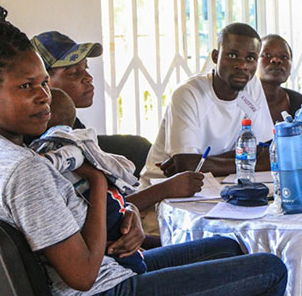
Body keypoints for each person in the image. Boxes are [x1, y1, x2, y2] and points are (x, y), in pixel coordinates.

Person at [0, 0, 287, 296]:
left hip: (99, 285)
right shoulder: (23, 170)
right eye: (26, 86)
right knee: (270, 271)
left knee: (228, 248)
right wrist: (97, 182)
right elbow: (81, 275)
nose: (44, 97)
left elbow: (67, 231)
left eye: (44, 83)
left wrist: (125, 213)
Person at [32, 30, 207, 243]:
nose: (88, 78)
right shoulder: (51, 145)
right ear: (44, 83)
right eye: (74, 73)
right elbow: (97, 212)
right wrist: (166, 188)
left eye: (85, 69)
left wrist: (132, 208)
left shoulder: (72, 127)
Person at [141, 22, 274, 184]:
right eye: (232, 56)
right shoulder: (188, 94)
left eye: (250, 58)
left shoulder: (252, 86)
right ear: (215, 57)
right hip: (162, 192)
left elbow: (264, 151)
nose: (242, 65)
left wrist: (199, 162)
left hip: (218, 186)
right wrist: (252, 163)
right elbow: (185, 167)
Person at [32, 88, 147, 274]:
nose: (88, 79)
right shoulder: (32, 156)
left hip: (104, 209)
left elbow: (71, 155)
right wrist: (98, 180)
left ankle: (135, 265)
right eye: (73, 71)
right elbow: (82, 274)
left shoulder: (65, 139)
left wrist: (47, 161)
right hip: (102, 281)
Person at [258, 34, 302, 123]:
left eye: (284, 57)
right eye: (267, 55)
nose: (276, 60)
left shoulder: (298, 101)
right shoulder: (239, 100)